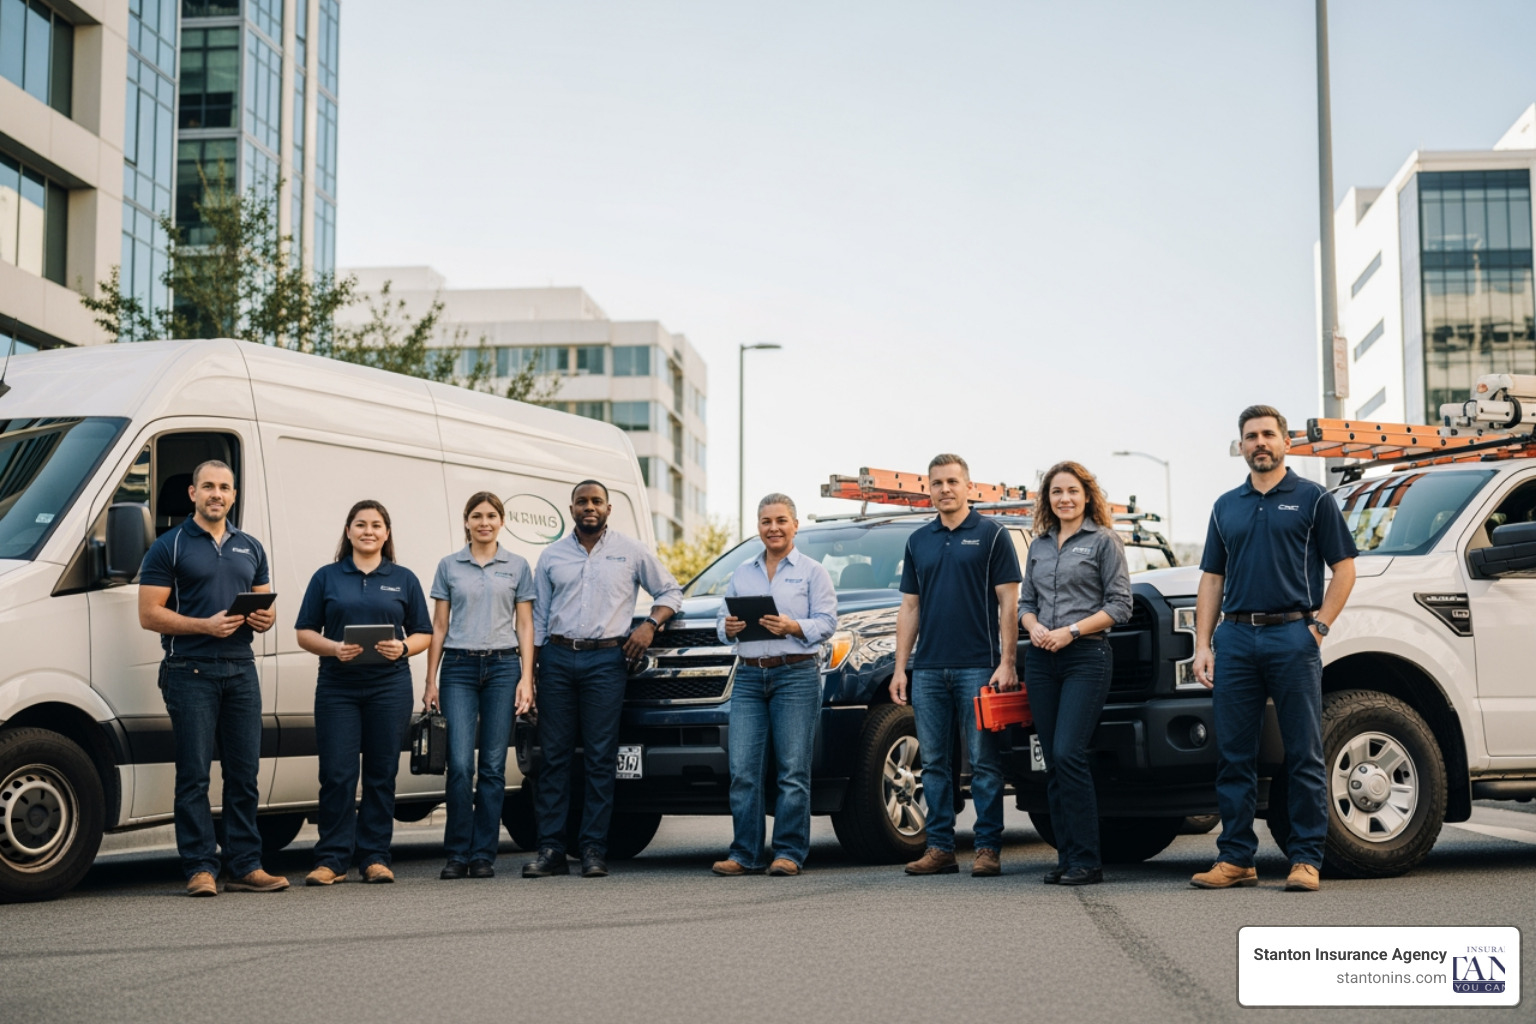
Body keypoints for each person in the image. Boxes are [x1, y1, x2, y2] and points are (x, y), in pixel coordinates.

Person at [1191, 404, 1357, 893]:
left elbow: (1344, 567)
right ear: (1240, 446)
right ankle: (1236, 858)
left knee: (1304, 751)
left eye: (1267, 434)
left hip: (1293, 634)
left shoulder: (1313, 499)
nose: (1259, 442)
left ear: (1285, 442)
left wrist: (1319, 626)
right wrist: (1203, 644)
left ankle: (1306, 859)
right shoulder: (1226, 506)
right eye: (1250, 436)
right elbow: (1211, 578)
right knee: (1234, 755)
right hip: (1236, 638)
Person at [137, 459, 288, 896]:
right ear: (193, 494)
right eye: (208, 487)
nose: (216, 494)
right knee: (194, 776)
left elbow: (268, 607)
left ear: (234, 495)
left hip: (241, 670)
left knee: (244, 775)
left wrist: (264, 619)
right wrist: (204, 625)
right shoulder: (169, 546)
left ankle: (245, 865)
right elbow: (149, 614)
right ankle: (200, 866)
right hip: (190, 671)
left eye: (224, 487)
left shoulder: (251, 547)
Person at [524, 480, 683, 879]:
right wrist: (532, 673)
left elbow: (670, 592)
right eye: (582, 502)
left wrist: (649, 626)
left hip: (607, 662)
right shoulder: (551, 556)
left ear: (609, 509)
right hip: (558, 660)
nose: (589, 507)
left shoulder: (631, 551)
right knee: (553, 759)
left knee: (599, 758)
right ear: (572, 508)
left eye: (597, 501)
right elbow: (539, 618)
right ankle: (551, 851)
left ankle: (594, 849)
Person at [890, 454, 1022, 877]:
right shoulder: (918, 541)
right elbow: (909, 607)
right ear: (928, 489)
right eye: (937, 483)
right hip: (928, 669)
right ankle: (941, 848)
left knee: (984, 762)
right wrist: (900, 668)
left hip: (978, 667)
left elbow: (1009, 603)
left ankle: (987, 849)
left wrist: (1007, 662)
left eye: (952, 481)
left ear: (969, 486)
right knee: (933, 764)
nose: (944, 489)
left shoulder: (992, 535)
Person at [295, 500, 433, 886]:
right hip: (337, 687)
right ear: (349, 531)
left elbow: (424, 631)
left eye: (376, 525)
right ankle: (332, 860)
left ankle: (375, 857)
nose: (368, 531)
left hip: (389, 686)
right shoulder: (327, 576)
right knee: (337, 774)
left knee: (381, 772)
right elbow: (304, 632)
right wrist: (335, 648)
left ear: (387, 533)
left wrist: (404, 648)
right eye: (360, 524)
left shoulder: (403, 578)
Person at [712, 493, 838, 877]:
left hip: (795, 675)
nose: (774, 528)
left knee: (792, 769)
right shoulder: (742, 572)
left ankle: (788, 852)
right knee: (744, 770)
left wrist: (793, 626)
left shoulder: (813, 571)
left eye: (781, 520)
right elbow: (722, 622)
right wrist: (728, 628)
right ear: (758, 527)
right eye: (767, 521)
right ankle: (745, 853)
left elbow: (828, 623)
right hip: (749, 675)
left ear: (795, 525)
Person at [1019, 461, 1132, 887]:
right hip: (1042, 661)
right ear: (1047, 499)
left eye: (1072, 491)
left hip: (1086, 657)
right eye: (1056, 492)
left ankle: (1088, 860)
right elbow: (1025, 603)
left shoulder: (1104, 541)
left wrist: (1070, 631)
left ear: (1087, 496)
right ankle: (1067, 858)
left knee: (1069, 753)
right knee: (1052, 761)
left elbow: (1121, 606)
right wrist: (1034, 628)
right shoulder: (1039, 545)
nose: (1064, 498)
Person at [423, 492, 536, 880]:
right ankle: (457, 853)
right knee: (458, 765)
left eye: (491, 515)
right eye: (476, 516)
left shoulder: (517, 566)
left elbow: (525, 626)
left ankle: (483, 854)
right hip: (458, 667)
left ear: (501, 521)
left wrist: (526, 678)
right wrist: (430, 681)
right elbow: (439, 626)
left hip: (504, 667)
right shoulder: (449, 566)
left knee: (491, 767)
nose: (484, 522)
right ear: (467, 522)